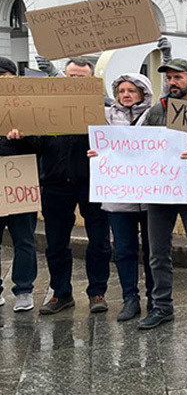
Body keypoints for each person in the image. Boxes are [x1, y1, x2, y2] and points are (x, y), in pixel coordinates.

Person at [5, 57, 112, 316]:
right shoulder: (43, 109)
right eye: (70, 77)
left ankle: (97, 292)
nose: (74, 82)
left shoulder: (104, 108)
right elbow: (36, 146)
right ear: (63, 78)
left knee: (99, 241)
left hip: (92, 183)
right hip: (55, 183)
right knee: (56, 243)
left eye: (81, 78)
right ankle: (61, 293)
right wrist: (21, 136)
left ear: (91, 82)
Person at [138, 59, 187, 331]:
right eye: (169, 78)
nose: (172, 82)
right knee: (158, 254)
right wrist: (105, 157)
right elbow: (136, 147)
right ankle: (162, 307)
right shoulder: (155, 111)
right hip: (160, 193)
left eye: (178, 77)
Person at [87, 73, 156, 322]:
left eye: (132, 90)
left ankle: (155, 297)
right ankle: (130, 298)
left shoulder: (155, 115)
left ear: (143, 93)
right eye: (122, 90)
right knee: (124, 249)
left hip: (151, 197)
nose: (126, 95)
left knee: (154, 251)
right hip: (118, 196)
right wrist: (96, 151)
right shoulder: (105, 116)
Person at [0, 57, 38, 312]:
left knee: (24, 239)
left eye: (5, 76)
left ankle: (24, 289)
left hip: (20, 182)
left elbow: (41, 145)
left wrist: (22, 138)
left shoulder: (30, 108)